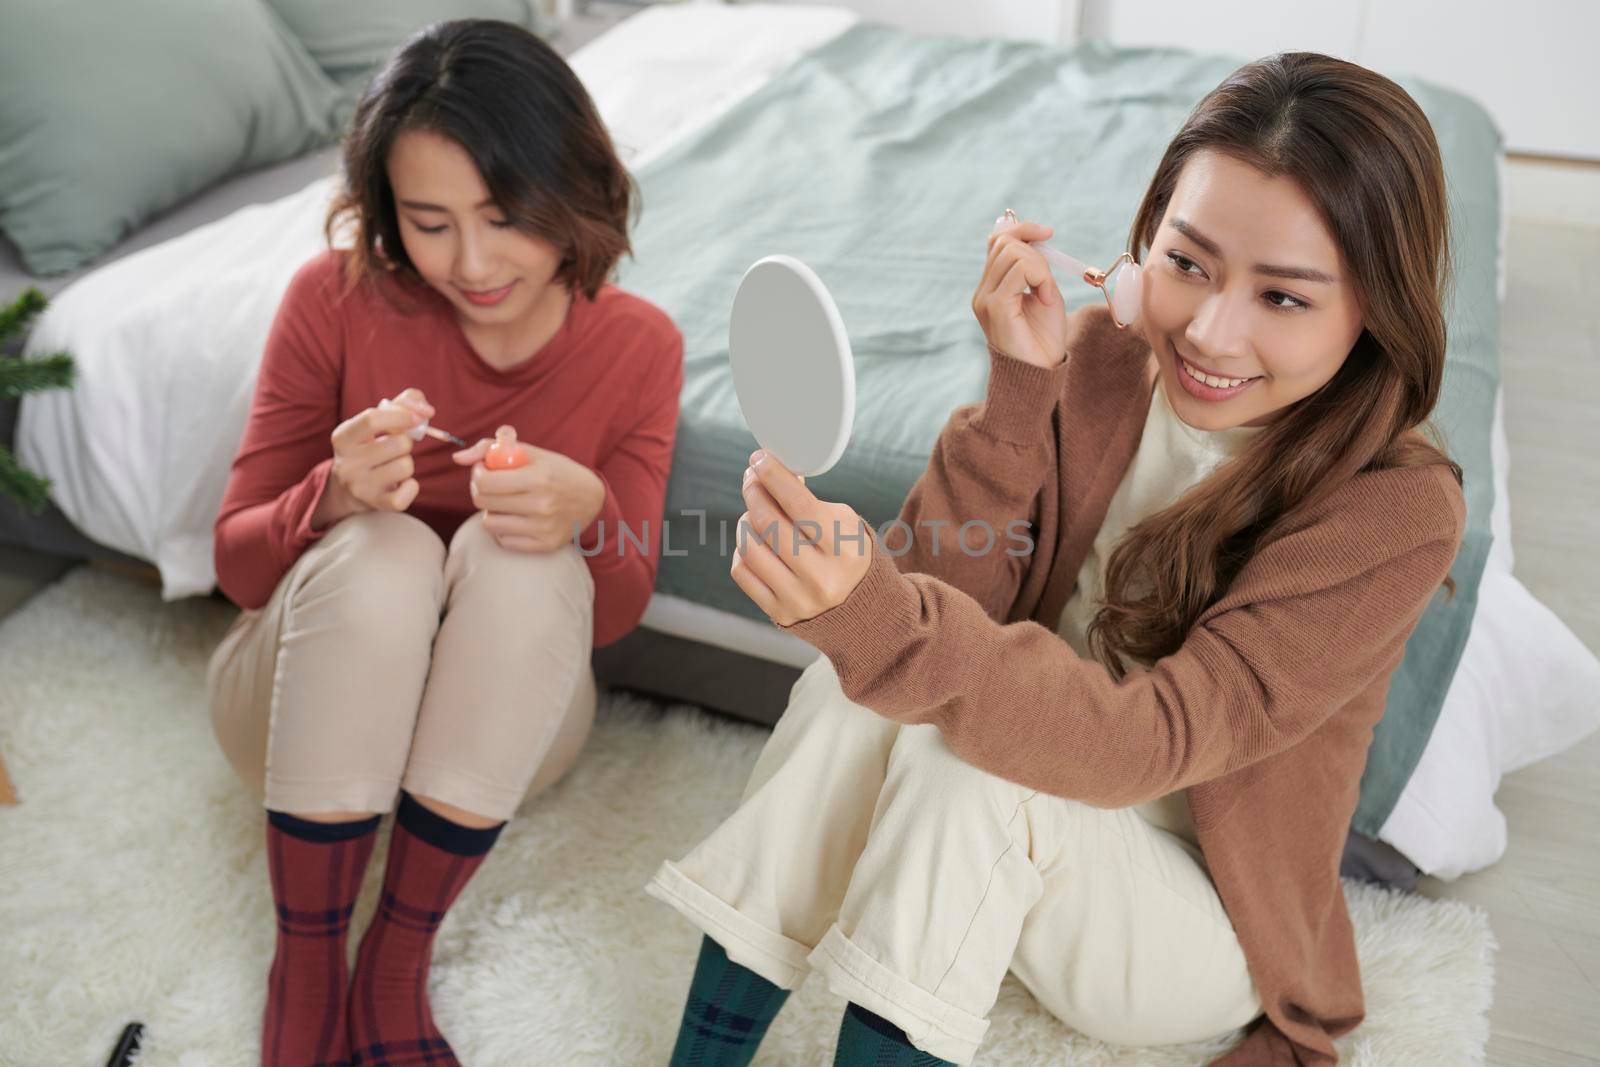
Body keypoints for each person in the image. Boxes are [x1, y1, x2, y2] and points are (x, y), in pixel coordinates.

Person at [649, 51, 1464, 1067]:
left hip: (1192, 908)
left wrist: (881, 616)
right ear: (1143, 243)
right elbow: (942, 603)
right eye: (1187, 263)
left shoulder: (1393, 509)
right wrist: (1017, 396)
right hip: (1015, 843)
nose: (1209, 330)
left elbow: (1150, 740)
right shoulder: (1105, 361)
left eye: (1284, 298)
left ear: (1374, 309)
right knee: (850, 690)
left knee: (971, 764)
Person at [206, 20, 683, 1066]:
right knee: (390, 550)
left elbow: (615, 609)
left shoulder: (638, 344)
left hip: (503, 732)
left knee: (521, 554)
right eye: (427, 222)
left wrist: (590, 508)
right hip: (290, 708)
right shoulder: (331, 301)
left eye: (506, 217)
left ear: (574, 190)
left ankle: (394, 962)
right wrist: (328, 496)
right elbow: (237, 566)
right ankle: (308, 962)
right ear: (386, 214)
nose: (470, 262)